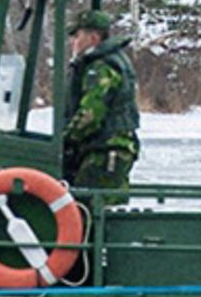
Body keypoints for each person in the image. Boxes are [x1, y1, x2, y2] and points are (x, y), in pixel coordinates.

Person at [56, 12, 139, 193]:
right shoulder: (108, 61)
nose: (73, 42)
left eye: (77, 36)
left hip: (106, 151)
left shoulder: (101, 68)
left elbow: (91, 115)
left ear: (93, 38)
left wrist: (63, 141)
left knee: (82, 209)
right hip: (110, 149)